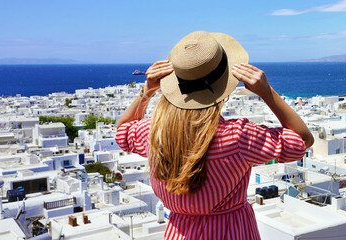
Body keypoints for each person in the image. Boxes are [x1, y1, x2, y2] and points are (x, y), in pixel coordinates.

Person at [115, 31, 313, 239]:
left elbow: (123, 132)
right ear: (224, 85)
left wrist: (148, 89)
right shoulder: (238, 137)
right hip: (233, 232)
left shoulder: (152, 132)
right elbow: (302, 140)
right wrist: (266, 92)